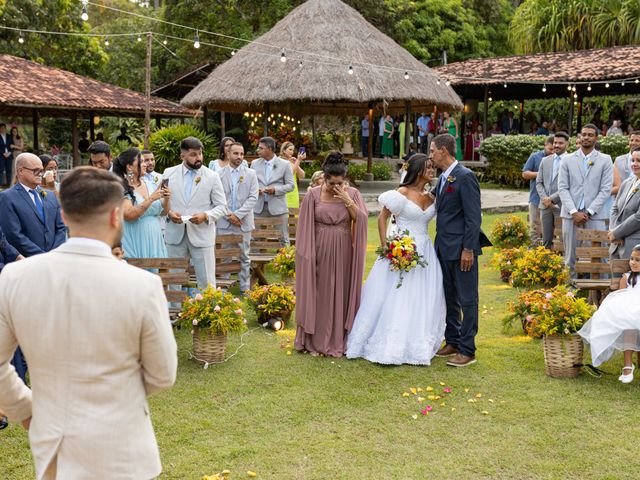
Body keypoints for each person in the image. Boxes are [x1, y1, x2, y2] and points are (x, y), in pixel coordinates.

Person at [0, 166, 177, 478]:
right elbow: (162, 374)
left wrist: (24, 408)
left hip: (54, 440)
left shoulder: (15, 277)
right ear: (115, 216)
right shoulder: (142, 285)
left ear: (64, 216)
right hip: (124, 444)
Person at [346, 154, 446, 364]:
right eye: (428, 167)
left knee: (421, 296)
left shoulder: (432, 196)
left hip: (425, 251)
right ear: (418, 170)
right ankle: (388, 343)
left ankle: (416, 342)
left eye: (432, 167)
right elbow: (382, 218)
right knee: (396, 295)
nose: (432, 171)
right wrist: (387, 247)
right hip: (400, 248)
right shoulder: (401, 193)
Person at [295, 152, 367, 357]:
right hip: (319, 248)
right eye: (332, 183)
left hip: (344, 248)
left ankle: (338, 339)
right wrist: (307, 255)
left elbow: (359, 220)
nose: (336, 187)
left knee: (340, 290)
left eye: (340, 183)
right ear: (323, 178)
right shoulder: (313, 194)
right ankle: (315, 340)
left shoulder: (352, 193)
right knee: (320, 291)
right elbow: (304, 226)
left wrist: (347, 200)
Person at [431, 134, 491, 367]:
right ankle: (453, 340)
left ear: (444, 151)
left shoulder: (466, 177)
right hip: (443, 248)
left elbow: (473, 217)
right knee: (450, 298)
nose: (431, 155)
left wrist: (468, 249)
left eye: (433, 150)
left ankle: (468, 349)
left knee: (467, 300)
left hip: (461, 250)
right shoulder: (444, 178)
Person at [164, 136, 227, 288]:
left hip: (202, 234)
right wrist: (170, 213)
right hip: (175, 235)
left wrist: (206, 215)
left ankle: (208, 310)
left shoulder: (212, 176)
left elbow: (222, 206)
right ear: (182, 156)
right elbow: (162, 202)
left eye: (200, 153)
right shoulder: (168, 173)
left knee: (206, 281)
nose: (198, 158)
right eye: (193, 154)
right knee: (174, 280)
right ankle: (174, 311)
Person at [558, 124, 613, 278]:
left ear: (596, 138)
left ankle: (602, 293)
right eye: (584, 134)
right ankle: (570, 292)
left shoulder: (605, 160)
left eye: (590, 135)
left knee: (600, 254)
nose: (586, 137)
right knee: (570, 256)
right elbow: (562, 188)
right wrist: (574, 211)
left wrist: (588, 212)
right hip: (570, 215)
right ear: (579, 137)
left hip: (595, 215)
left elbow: (606, 189)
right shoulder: (567, 159)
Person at [578, 245, 640, 383]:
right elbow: (622, 296)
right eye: (632, 259)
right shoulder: (627, 278)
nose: (633, 262)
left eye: (638, 260)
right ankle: (628, 364)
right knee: (630, 324)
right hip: (630, 310)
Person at [113, 148, 170, 259]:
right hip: (134, 241)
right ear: (129, 166)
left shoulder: (151, 184)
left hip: (154, 241)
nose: (145, 165)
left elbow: (163, 212)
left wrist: (166, 198)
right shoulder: (122, 187)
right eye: (142, 162)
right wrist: (151, 198)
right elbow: (129, 215)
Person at [217, 142, 259, 293]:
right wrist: (230, 215)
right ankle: (223, 290)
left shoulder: (251, 174)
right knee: (225, 257)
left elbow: (253, 197)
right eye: (236, 153)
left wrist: (238, 215)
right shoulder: (219, 175)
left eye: (241, 154)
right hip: (224, 222)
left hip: (244, 222)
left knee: (244, 257)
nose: (239, 157)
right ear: (228, 154)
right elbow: (217, 198)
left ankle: (245, 289)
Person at [251, 136, 295, 245]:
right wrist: (256, 190)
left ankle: (285, 262)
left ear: (269, 149)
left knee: (283, 239)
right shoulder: (254, 163)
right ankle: (254, 262)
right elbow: (250, 184)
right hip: (258, 208)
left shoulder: (284, 164)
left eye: (261, 148)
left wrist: (275, 190)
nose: (258, 150)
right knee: (254, 239)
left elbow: (291, 185)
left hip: (278, 208)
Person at [536, 132, 569, 249]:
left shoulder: (571, 160)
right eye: (555, 142)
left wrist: (552, 199)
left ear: (567, 144)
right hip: (545, 206)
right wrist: (545, 199)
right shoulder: (545, 160)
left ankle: (565, 264)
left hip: (562, 205)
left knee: (565, 239)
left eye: (560, 143)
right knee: (546, 240)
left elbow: (569, 185)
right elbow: (539, 182)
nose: (557, 145)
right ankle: (546, 264)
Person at [608, 147, 640, 261]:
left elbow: (638, 218)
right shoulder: (627, 183)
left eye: (639, 161)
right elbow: (615, 208)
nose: (634, 164)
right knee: (615, 279)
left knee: (631, 279)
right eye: (632, 160)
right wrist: (613, 231)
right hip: (616, 244)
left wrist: (617, 233)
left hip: (634, 246)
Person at [523, 136, 554, 246]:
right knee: (535, 226)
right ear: (545, 145)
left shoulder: (560, 159)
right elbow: (525, 173)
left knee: (553, 227)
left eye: (554, 149)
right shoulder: (535, 156)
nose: (552, 152)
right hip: (536, 198)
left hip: (554, 199)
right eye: (550, 149)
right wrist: (540, 174)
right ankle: (535, 251)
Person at [280, 141, 306, 209]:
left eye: (293, 150)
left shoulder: (292, 161)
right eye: (290, 149)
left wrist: (296, 163)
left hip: (294, 191)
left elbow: (302, 176)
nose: (292, 152)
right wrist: (298, 161)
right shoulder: (279, 160)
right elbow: (290, 173)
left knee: (294, 215)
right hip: (284, 192)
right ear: (284, 150)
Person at [0, 122, 13, 187]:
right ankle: (1, 184)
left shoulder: (9, 136)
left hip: (9, 155)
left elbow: (12, 145)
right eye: (1, 128)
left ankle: (9, 183)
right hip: (1, 155)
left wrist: (9, 153)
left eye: (4, 128)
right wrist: (3, 153)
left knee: (9, 170)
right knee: (1, 169)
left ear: (5, 128)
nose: (2, 129)